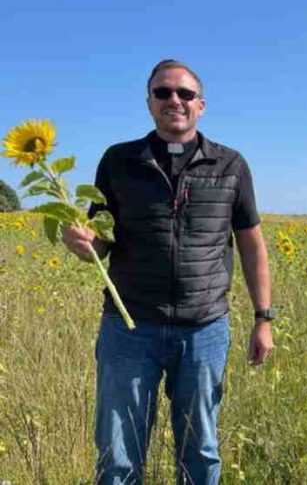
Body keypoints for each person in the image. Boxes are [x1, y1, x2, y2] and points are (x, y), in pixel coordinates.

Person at [61, 59, 275, 484]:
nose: (173, 100)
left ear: (201, 105)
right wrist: (82, 245)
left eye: (184, 94)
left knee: (200, 449)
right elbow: (99, 243)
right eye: (162, 93)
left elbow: (251, 244)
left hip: (204, 329)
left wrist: (263, 319)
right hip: (128, 328)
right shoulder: (119, 161)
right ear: (149, 103)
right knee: (118, 451)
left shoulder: (231, 165)